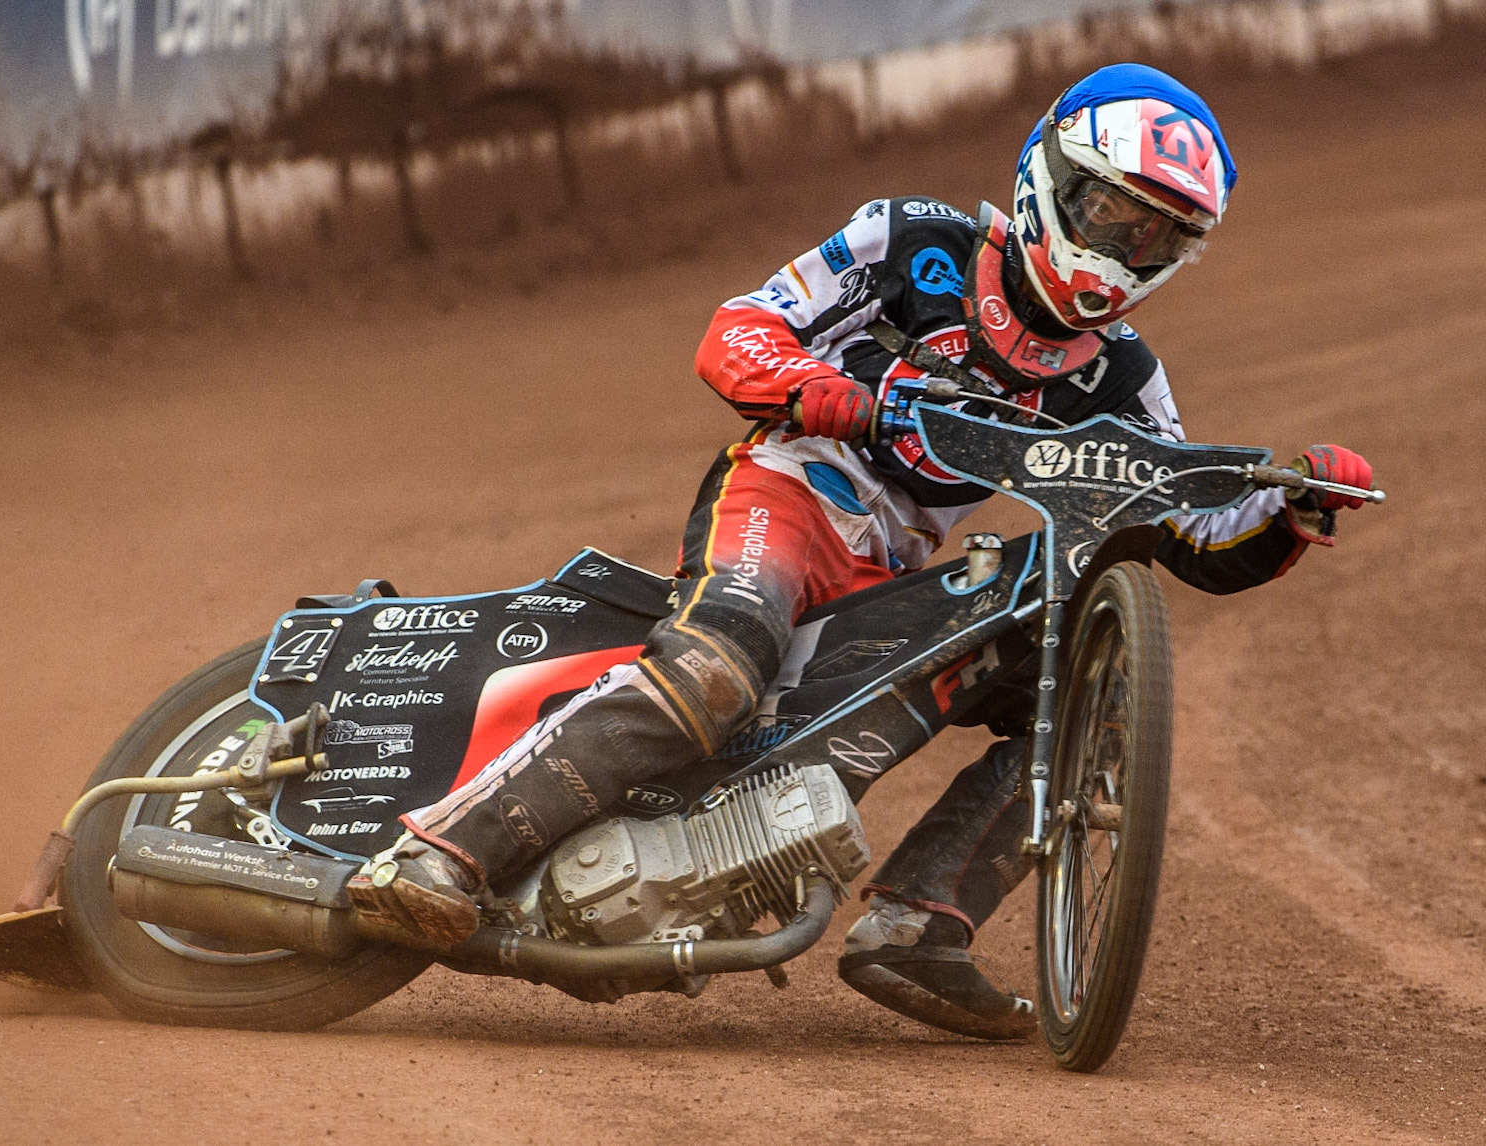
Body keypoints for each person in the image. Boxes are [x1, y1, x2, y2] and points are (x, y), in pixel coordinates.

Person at [347, 63, 1374, 1040]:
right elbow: (738, 329)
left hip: (894, 570)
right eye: (1111, 213)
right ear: (1050, 178)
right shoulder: (908, 240)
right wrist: (817, 389)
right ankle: (443, 854)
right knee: (718, 667)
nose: (1121, 250)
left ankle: (918, 923)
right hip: (786, 492)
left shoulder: (1122, 378)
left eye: (1155, 237)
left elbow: (1182, 529)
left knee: (1083, 690)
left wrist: (1289, 507)